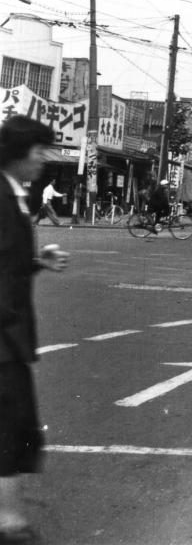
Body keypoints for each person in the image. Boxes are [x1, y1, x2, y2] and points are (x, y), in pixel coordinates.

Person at [0, 116, 69, 542]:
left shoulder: (14, 195)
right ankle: (9, 522)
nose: (45, 160)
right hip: (3, 340)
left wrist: (38, 261)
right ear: (21, 153)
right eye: (40, 151)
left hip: (8, 338)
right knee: (8, 425)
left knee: (13, 423)